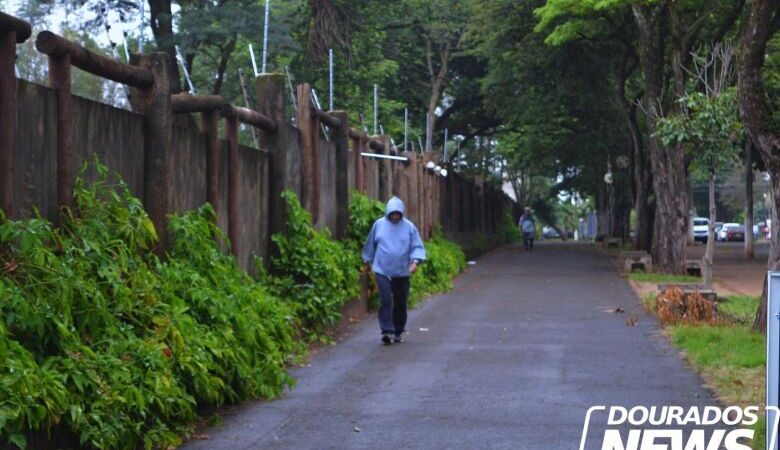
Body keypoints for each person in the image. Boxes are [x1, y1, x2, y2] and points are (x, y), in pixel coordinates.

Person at [362, 196, 426, 345]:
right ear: (388, 213)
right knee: (385, 299)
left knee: (400, 301)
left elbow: (417, 246)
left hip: (402, 271)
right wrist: (367, 260)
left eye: (398, 213)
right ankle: (386, 331)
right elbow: (370, 243)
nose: (395, 216)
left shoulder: (409, 227)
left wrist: (415, 261)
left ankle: (398, 330)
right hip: (382, 269)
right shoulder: (379, 225)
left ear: (401, 213)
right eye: (392, 213)